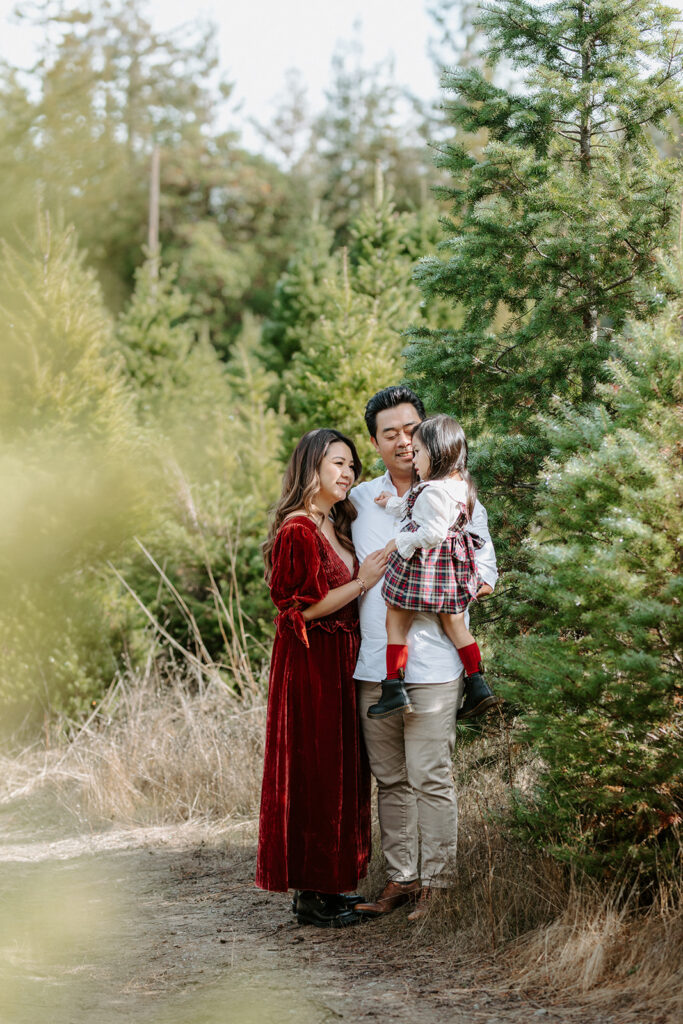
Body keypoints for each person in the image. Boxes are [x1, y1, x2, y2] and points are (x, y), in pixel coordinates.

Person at [349, 387, 498, 922]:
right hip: (374, 665)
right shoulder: (362, 499)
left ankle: (439, 884)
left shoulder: (458, 496)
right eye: (390, 432)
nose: (403, 441)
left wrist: (441, 594)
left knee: (431, 776)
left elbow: (487, 573)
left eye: (411, 429)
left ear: (426, 432)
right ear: (375, 441)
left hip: (435, 667)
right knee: (390, 779)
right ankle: (401, 878)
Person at [255, 428, 388, 928]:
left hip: (341, 660)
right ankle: (311, 894)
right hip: (311, 665)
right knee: (315, 770)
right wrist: (361, 582)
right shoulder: (298, 529)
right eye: (336, 463)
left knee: (342, 771)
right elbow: (303, 610)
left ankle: (331, 886)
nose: (347, 472)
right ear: (310, 468)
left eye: (351, 465)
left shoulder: (333, 523)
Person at [368, 414, 494, 719]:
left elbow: (433, 530)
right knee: (455, 625)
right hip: (451, 569)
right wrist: (391, 502)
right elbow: (415, 505)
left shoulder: (432, 490)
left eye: (419, 453)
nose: (414, 461)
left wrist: (400, 543)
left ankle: (393, 688)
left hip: (424, 567)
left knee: (395, 620)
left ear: (437, 453)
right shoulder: (457, 486)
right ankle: (477, 683)